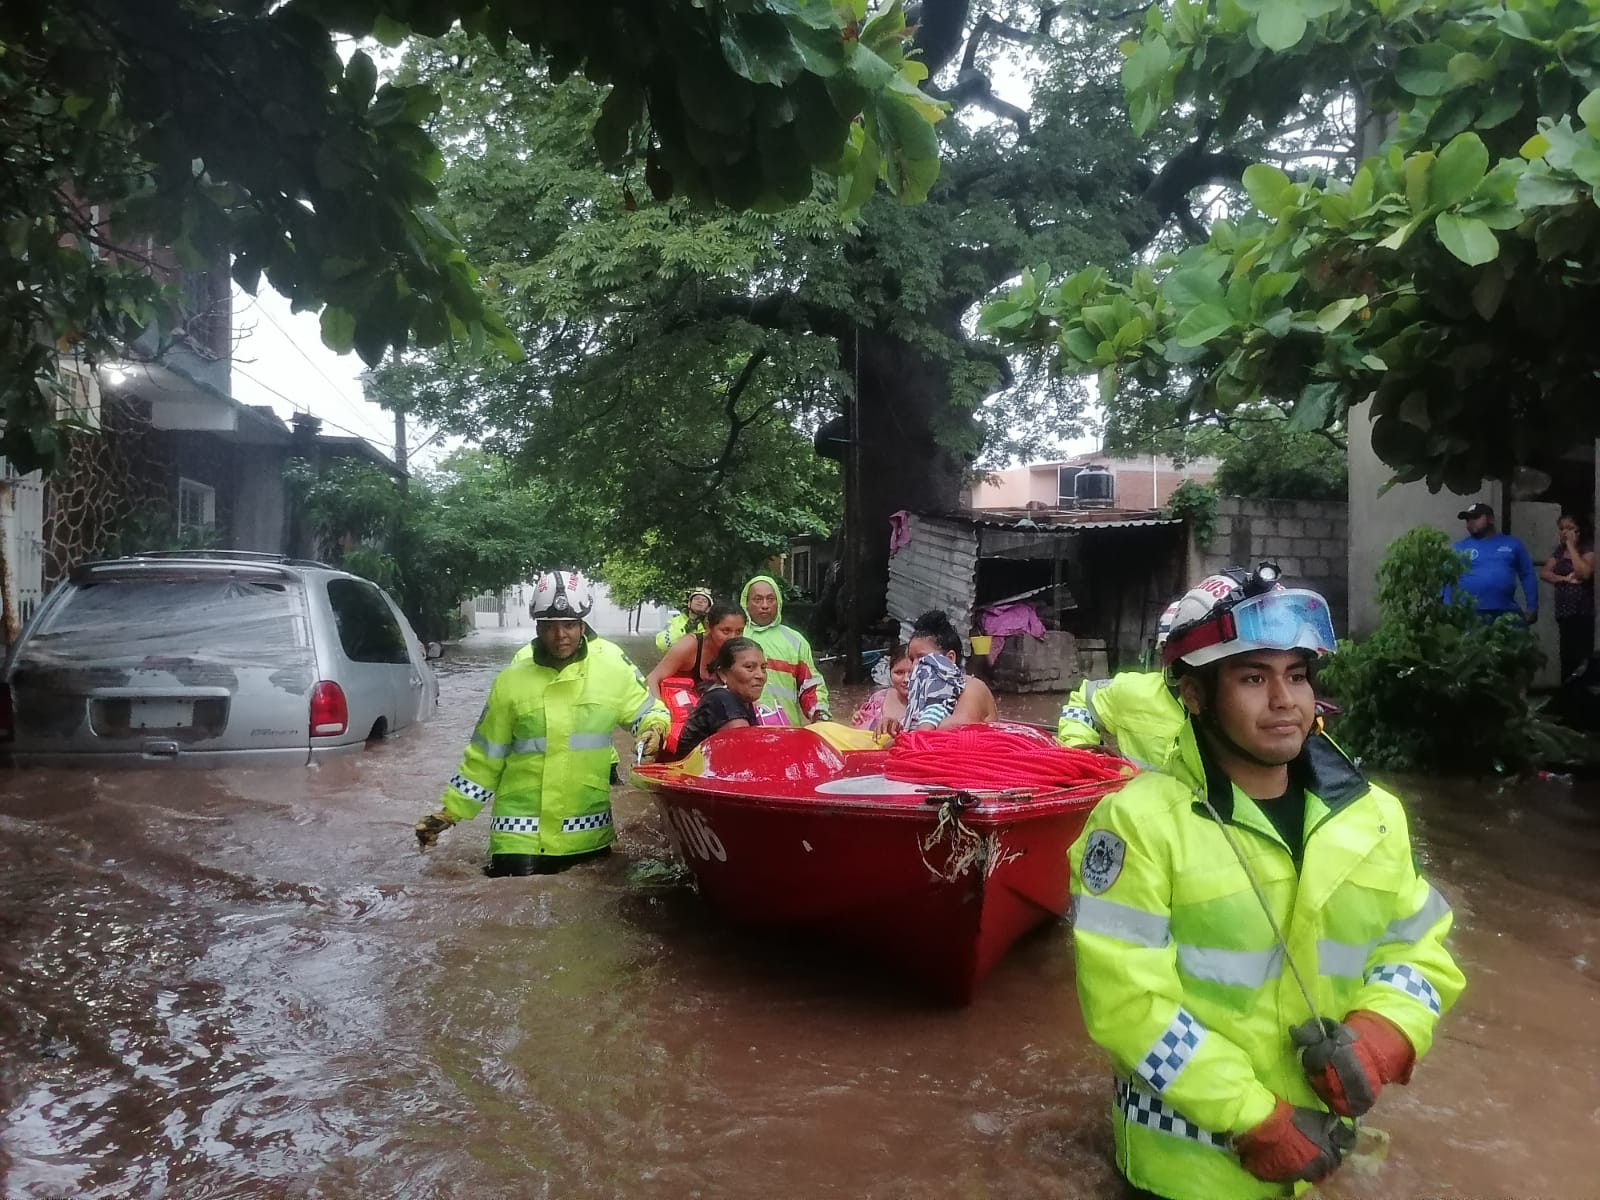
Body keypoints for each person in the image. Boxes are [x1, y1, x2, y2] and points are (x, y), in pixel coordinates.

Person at [1068, 574, 1463, 1200]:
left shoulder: (1374, 815)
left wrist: (1386, 1036)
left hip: (1318, 1157)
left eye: (1297, 675)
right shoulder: (1135, 827)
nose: (1284, 700)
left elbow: (1418, 950)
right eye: (1253, 678)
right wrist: (1256, 1118)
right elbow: (1129, 1007)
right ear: (1194, 695)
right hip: (1187, 1173)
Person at [414, 571, 670, 877]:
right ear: (537, 627)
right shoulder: (510, 682)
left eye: (569, 625)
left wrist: (654, 729)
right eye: (550, 626)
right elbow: (483, 759)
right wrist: (449, 812)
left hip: (588, 835)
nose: (561, 635)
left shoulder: (612, 672)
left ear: (582, 625)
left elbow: (648, 711)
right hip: (517, 840)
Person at [1057, 598, 1185, 767]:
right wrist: (1080, 754)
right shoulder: (1136, 692)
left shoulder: (1226, 709)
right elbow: (1084, 701)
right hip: (1134, 791)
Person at [739, 575, 831, 724]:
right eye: (757, 599)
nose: (765, 605)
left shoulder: (795, 640)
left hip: (787, 731)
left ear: (779, 602)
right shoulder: (735, 635)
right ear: (746, 603)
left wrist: (820, 716)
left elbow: (810, 685)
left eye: (770, 599)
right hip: (741, 729)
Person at [898, 610, 997, 731]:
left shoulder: (972, 687)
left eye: (922, 658)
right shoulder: (923, 694)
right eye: (911, 659)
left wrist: (906, 734)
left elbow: (956, 728)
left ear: (949, 659)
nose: (914, 666)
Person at [673, 637, 766, 758]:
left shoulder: (742, 700)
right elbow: (744, 755)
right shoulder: (721, 699)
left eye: (763, 668)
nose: (760, 675)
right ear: (723, 674)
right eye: (749, 667)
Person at [1451, 502, 1537, 624]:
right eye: (1467, 519)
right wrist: (1448, 607)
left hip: (1506, 611)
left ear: (1490, 519)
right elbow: (1448, 579)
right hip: (1469, 613)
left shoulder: (1512, 544)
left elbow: (1527, 574)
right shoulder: (1459, 548)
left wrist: (1532, 606)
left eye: (1475, 517)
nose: (1470, 522)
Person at [646, 603, 747, 699]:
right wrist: (660, 712)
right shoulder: (689, 645)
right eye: (725, 631)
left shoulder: (739, 651)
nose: (733, 637)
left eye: (739, 631)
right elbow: (652, 679)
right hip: (676, 708)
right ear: (708, 626)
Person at [1540, 511, 1595, 679]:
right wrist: (1563, 579)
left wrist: (1571, 546)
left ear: (1579, 530)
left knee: (1582, 656)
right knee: (1567, 654)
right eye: (1561, 528)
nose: (1564, 532)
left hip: (1582, 611)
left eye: (1569, 528)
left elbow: (1583, 573)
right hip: (1564, 612)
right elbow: (1545, 573)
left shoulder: (1587, 550)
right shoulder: (1558, 551)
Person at [850, 649, 912, 734]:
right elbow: (861, 731)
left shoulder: (927, 706)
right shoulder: (878, 698)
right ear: (890, 673)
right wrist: (857, 719)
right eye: (899, 673)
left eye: (912, 673)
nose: (906, 679)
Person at [654, 586, 714, 652]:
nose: (700, 601)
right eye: (696, 599)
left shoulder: (712, 626)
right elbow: (662, 644)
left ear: (708, 608)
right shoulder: (674, 621)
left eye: (704, 601)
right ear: (689, 604)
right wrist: (685, 630)